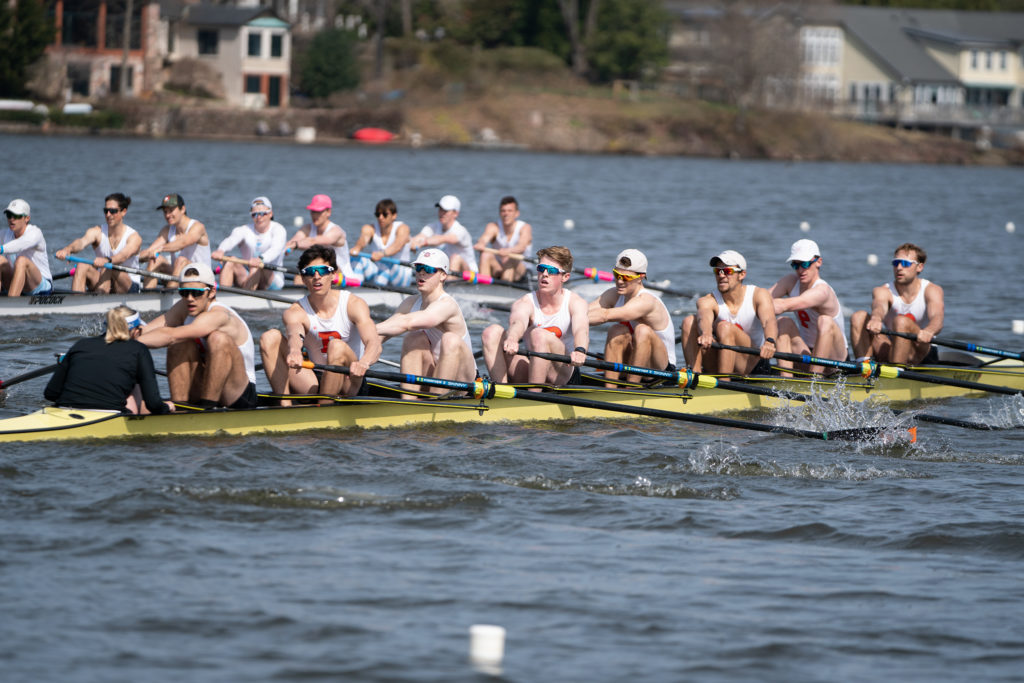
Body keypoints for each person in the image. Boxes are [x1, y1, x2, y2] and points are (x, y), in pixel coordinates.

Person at [260, 245, 382, 404]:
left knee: (336, 346)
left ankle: (325, 410)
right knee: (270, 337)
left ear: (333, 274)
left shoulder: (353, 304)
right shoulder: (296, 311)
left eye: (323, 271)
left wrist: (364, 362)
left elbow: (374, 343)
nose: (316, 277)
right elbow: (294, 333)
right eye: (310, 272)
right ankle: (285, 407)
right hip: (314, 379)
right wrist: (295, 350)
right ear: (303, 279)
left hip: (350, 380)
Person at [137, 262, 257, 409]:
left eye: (196, 293)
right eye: (184, 292)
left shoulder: (219, 315)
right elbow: (147, 330)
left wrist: (134, 342)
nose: (190, 298)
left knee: (217, 339)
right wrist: (116, 338)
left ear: (212, 292)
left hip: (238, 393)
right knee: (180, 345)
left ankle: (208, 409)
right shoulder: (185, 306)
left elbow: (171, 335)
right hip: (206, 383)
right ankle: (180, 409)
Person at [481, 245, 589, 388]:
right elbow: (518, 322)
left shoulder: (575, 302)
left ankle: (534, 395)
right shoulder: (525, 302)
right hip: (533, 367)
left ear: (565, 277)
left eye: (551, 271)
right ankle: (501, 391)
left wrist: (580, 350)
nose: (544, 274)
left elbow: (581, 329)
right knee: (491, 332)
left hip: (564, 373)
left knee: (538, 334)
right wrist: (512, 338)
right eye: (540, 269)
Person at [376, 249, 476, 397]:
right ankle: (409, 402)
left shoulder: (447, 304)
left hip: (462, 380)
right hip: (434, 374)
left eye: (429, 269)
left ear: (443, 275)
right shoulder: (410, 303)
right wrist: (361, 354)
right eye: (418, 268)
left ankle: (437, 402)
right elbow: (381, 334)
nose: (422, 273)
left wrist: (365, 327)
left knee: (450, 339)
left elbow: (409, 322)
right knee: (413, 338)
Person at [45, 306, 172, 415]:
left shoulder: (81, 345)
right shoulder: (139, 349)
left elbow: (51, 393)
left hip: (65, 411)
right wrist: (167, 407)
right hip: (111, 414)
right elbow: (153, 404)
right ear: (135, 331)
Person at [680, 250, 778, 376]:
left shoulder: (758, 295)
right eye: (717, 271)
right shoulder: (707, 300)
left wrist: (770, 341)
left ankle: (724, 382)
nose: (721, 276)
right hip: (721, 360)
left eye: (727, 271)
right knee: (688, 321)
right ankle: (694, 376)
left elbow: (769, 320)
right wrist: (706, 333)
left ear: (742, 274)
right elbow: (703, 317)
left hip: (753, 364)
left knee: (724, 327)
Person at [588, 249, 678, 385]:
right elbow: (584, 311)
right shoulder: (614, 294)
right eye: (616, 274)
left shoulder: (646, 301)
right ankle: (610, 389)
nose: (619, 281)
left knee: (643, 330)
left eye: (626, 277)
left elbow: (604, 316)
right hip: (633, 362)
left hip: (660, 370)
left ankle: (632, 388)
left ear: (641, 277)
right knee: (616, 330)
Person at [850, 243, 944, 365]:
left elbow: (937, 318)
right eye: (896, 263)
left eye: (905, 263)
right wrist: (876, 319)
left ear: (920, 267)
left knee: (901, 321)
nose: (899, 267)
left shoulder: (932, 290)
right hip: (892, 348)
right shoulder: (883, 290)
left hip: (922, 351)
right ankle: (864, 368)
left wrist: (929, 331)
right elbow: (879, 307)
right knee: (859, 316)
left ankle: (897, 371)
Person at [768, 239, 848, 376]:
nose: (800, 270)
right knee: (783, 322)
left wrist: (759, 306)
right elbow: (765, 298)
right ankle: (785, 382)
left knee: (825, 320)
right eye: (795, 265)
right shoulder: (791, 281)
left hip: (835, 360)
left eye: (805, 264)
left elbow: (782, 305)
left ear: (819, 262)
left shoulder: (822, 291)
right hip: (807, 353)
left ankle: (814, 383)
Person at [55, 193, 142, 293]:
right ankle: (76, 302)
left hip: (128, 285)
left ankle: (99, 301)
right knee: (82, 265)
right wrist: (67, 249)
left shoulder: (134, 237)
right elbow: (81, 242)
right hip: (103, 281)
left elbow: (123, 256)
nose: (108, 215)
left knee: (108, 266)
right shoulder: (97, 232)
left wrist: (107, 260)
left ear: (123, 212)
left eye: (113, 211)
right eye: (106, 211)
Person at [212, 196, 287, 290]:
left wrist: (261, 259)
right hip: (247, 274)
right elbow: (230, 240)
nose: (259, 217)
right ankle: (222, 297)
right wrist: (221, 250)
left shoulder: (279, 229)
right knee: (230, 260)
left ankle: (246, 299)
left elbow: (275, 249)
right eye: (254, 214)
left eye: (263, 214)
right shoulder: (244, 229)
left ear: (270, 214)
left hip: (272, 278)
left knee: (256, 266)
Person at [138, 193, 211, 289]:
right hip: (180, 275)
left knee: (181, 260)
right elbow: (149, 251)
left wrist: (161, 248)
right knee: (156, 259)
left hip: (201, 278)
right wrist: (141, 256)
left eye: (171, 210)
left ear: (183, 209)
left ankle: (170, 296)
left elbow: (182, 243)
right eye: (165, 211)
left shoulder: (197, 227)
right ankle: (147, 297)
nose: (168, 215)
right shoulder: (167, 230)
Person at [285, 193, 356, 280]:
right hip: (319, 272)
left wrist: (295, 245)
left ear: (328, 212)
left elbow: (313, 242)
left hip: (341, 276)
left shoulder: (336, 231)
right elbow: (292, 242)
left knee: (324, 264)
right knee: (300, 275)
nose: (315, 215)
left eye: (318, 212)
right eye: (313, 211)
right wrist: (286, 248)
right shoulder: (307, 228)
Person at [349, 198, 414, 287]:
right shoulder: (370, 228)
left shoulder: (402, 228)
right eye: (378, 214)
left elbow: (397, 246)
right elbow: (363, 240)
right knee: (356, 259)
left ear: (394, 215)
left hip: (402, 277)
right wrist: (357, 248)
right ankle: (354, 290)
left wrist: (382, 254)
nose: (380, 217)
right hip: (380, 274)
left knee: (384, 263)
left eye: (385, 214)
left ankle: (377, 292)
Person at [409, 194, 479, 273]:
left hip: (469, 274)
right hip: (447, 269)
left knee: (455, 258)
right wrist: (411, 243)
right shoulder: (432, 227)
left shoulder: (461, 231)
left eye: (446, 211)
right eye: (440, 209)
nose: (442, 213)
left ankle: (445, 282)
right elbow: (419, 237)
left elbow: (443, 238)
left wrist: (422, 243)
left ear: (455, 213)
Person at [474, 195, 533, 281]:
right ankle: (483, 287)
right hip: (499, 268)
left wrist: (508, 251)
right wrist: (481, 244)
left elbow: (521, 247)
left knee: (510, 259)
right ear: (500, 213)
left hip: (521, 271)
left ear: (517, 213)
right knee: (485, 255)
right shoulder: (493, 227)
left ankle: (503, 288)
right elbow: (484, 238)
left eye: (510, 211)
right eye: (503, 211)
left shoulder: (525, 228)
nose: (506, 214)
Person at [1, 198, 52, 297]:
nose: (11, 219)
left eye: (16, 216)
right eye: (9, 215)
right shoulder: (5, 234)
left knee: (21, 261)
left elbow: (20, 244)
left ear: (27, 218)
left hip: (39, 287)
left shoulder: (35, 233)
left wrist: (2, 249)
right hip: (16, 281)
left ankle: (11, 304)